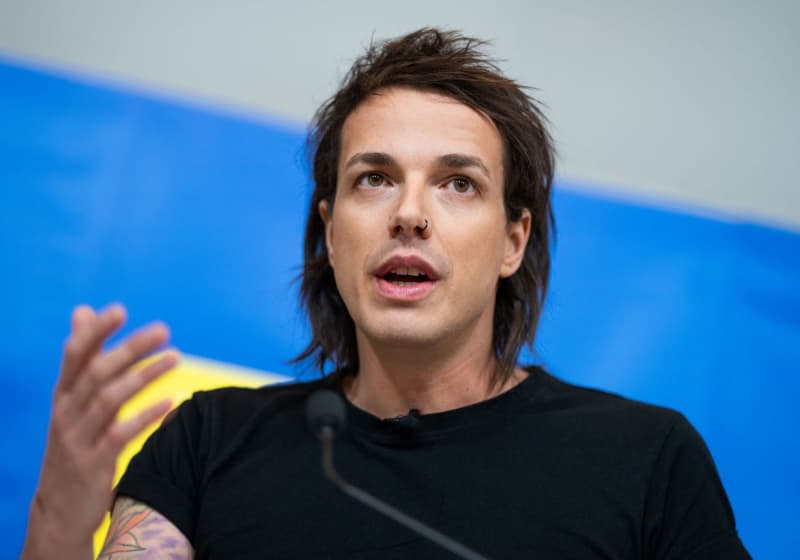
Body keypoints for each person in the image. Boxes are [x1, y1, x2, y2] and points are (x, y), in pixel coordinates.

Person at [21, 28, 750, 559]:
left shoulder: (648, 459)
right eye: (374, 177)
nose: (409, 213)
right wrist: (59, 518)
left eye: (458, 182)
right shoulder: (208, 441)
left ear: (512, 241)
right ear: (331, 230)